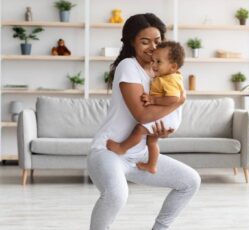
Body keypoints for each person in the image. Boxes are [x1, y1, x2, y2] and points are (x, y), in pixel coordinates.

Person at [87, 13, 201, 230]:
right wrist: (179, 102)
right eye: (144, 41)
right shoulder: (128, 66)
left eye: (157, 41)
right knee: (117, 195)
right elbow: (142, 115)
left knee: (190, 181)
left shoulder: (161, 72)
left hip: (139, 154)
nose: (152, 46)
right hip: (108, 151)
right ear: (132, 42)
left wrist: (160, 133)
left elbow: (156, 117)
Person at [106, 41, 185, 174]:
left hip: (167, 115)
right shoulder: (168, 76)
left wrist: (153, 99)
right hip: (168, 116)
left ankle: (122, 148)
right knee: (152, 141)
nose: (153, 65)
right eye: (153, 61)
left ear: (173, 66)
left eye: (158, 62)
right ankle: (152, 165)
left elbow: (173, 99)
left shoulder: (170, 79)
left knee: (139, 129)